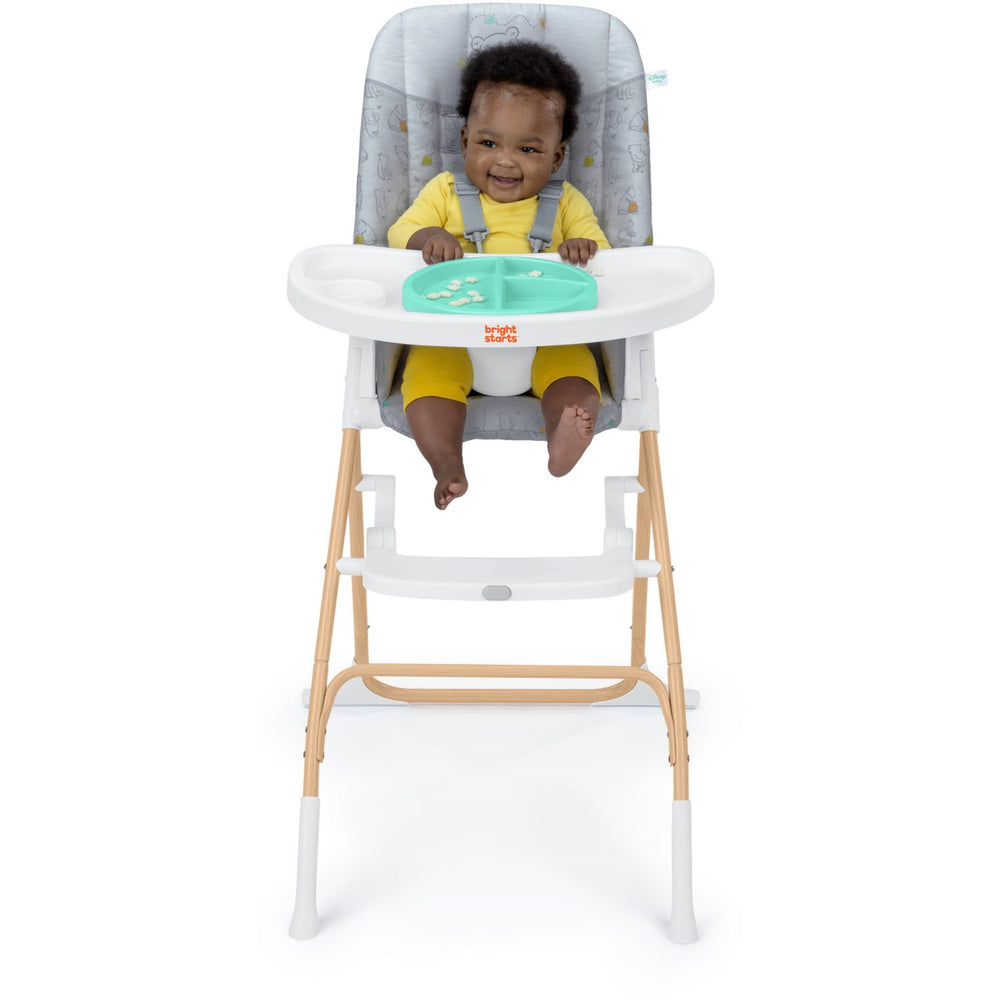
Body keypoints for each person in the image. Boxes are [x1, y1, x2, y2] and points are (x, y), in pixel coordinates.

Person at [388, 40, 611, 509]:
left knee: (575, 373)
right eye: (489, 144)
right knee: (426, 376)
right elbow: (399, 233)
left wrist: (580, 250)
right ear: (464, 141)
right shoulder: (445, 192)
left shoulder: (566, 203)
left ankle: (566, 432)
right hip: (452, 337)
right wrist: (429, 236)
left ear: (556, 158)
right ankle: (446, 462)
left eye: (528, 148)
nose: (506, 161)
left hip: (547, 338)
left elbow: (606, 262)